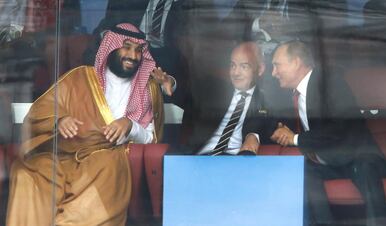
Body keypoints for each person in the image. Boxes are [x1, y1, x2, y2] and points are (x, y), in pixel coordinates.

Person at [6, 23, 166, 226]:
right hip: (64, 155)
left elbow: (153, 138)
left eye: (138, 50)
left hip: (107, 156)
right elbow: (39, 113)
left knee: (104, 168)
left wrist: (130, 126)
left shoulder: (147, 88)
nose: (133, 56)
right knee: (26, 174)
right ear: (111, 46)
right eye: (126, 47)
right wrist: (59, 120)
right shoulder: (79, 77)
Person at [269, 40, 386, 225]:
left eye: (277, 65)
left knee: (366, 167)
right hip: (325, 160)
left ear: (295, 62)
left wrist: (295, 138)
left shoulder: (329, 81)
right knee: (300, 171)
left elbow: (339, 127)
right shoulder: (290, 94)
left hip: (356, 156)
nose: (273, 73)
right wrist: (284, 132)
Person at [180, 42, 278, 155]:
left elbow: (268, 129)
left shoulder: (266, 102)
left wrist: (253, 136)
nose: (236, 73)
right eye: (233, 65)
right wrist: (172, 84)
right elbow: (183, 99)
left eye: (244, 66)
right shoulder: (213, 92)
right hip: (199, 157)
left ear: (260, 69)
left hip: (235, 162)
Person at [85, 0, 187, 106]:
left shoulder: (189, 5)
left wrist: (169, 82)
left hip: (167, 60)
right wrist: (112, 39)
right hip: (125, 52)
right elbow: (108, 24)